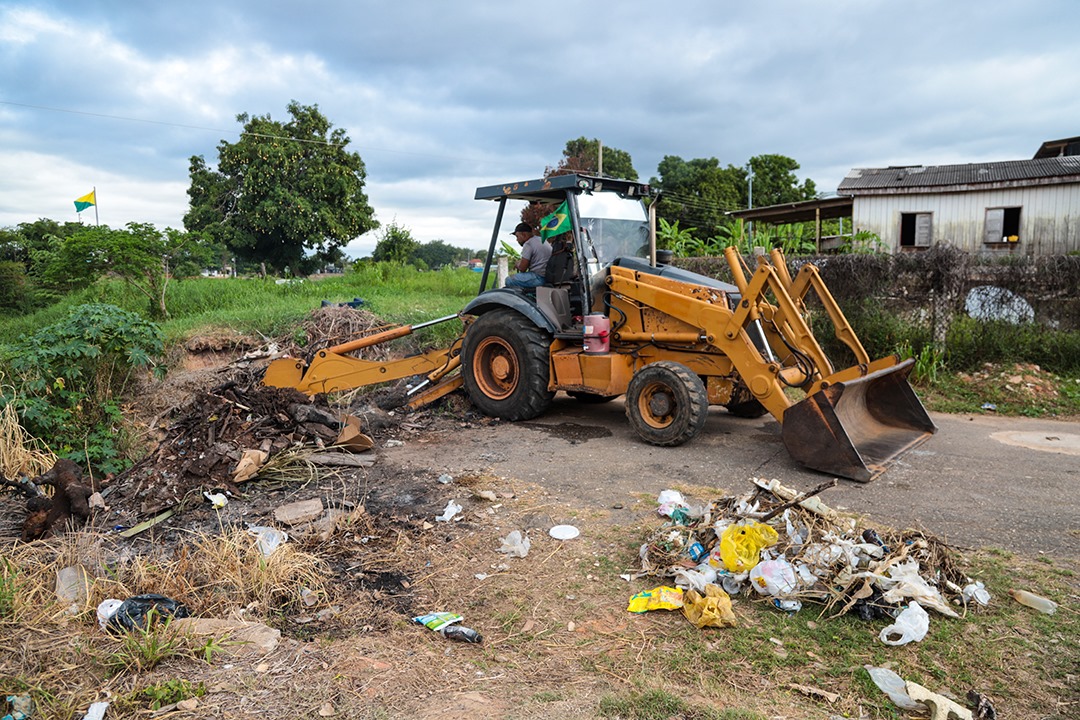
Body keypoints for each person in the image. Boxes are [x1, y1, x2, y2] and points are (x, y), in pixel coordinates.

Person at [504, 221, 551, 288]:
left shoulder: (528, 244)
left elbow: (522, 268)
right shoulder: (541, 239)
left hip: (539, 278)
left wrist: (517, 264)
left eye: (517, 236)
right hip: (547, 276)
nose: (517, 240)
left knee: (509, 280)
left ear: (524, 235)